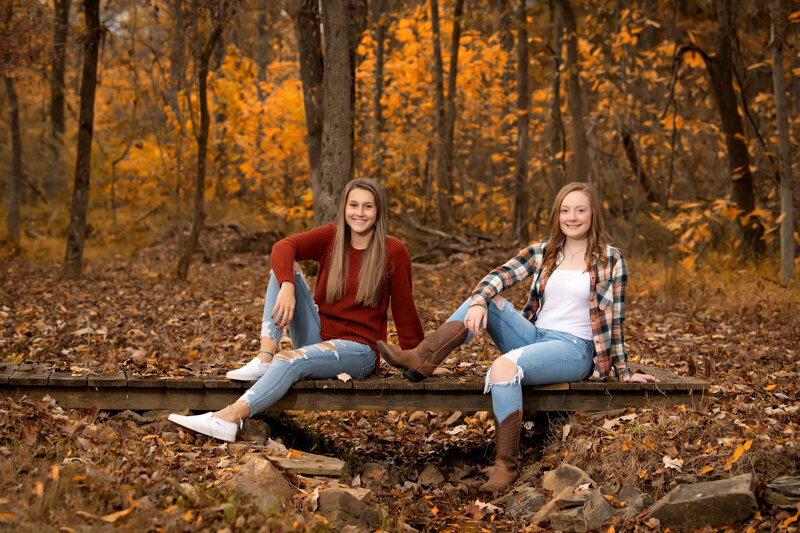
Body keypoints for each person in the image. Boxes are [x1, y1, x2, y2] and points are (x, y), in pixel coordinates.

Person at [378, 182, 657, 494]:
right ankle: (423, 356)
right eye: (565, 210)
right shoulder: (545, 251)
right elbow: (496, 276)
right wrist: (480, 301)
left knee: (503, 368)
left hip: (574, 349)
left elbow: (613, 321)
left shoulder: (610, 259)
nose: (572, 217)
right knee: (486, 299)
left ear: (593, 215)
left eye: (580, 210)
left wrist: (623, 371)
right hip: (535, 336)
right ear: (557, 215)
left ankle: (505, 466)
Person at [169, 178, 424, 442]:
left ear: (378, 211)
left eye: (368, 206)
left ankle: (228, 418)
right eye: (354, 205)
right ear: (344, 207)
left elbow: (405, 312)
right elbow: (283, 247)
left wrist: (422, 359)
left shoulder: (394, 250)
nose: (360, 213)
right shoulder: (331, 236)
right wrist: (288, 286)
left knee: (289, 359)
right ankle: (264, 357)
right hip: (318, 337)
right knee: (281, 270)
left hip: (360, 351)